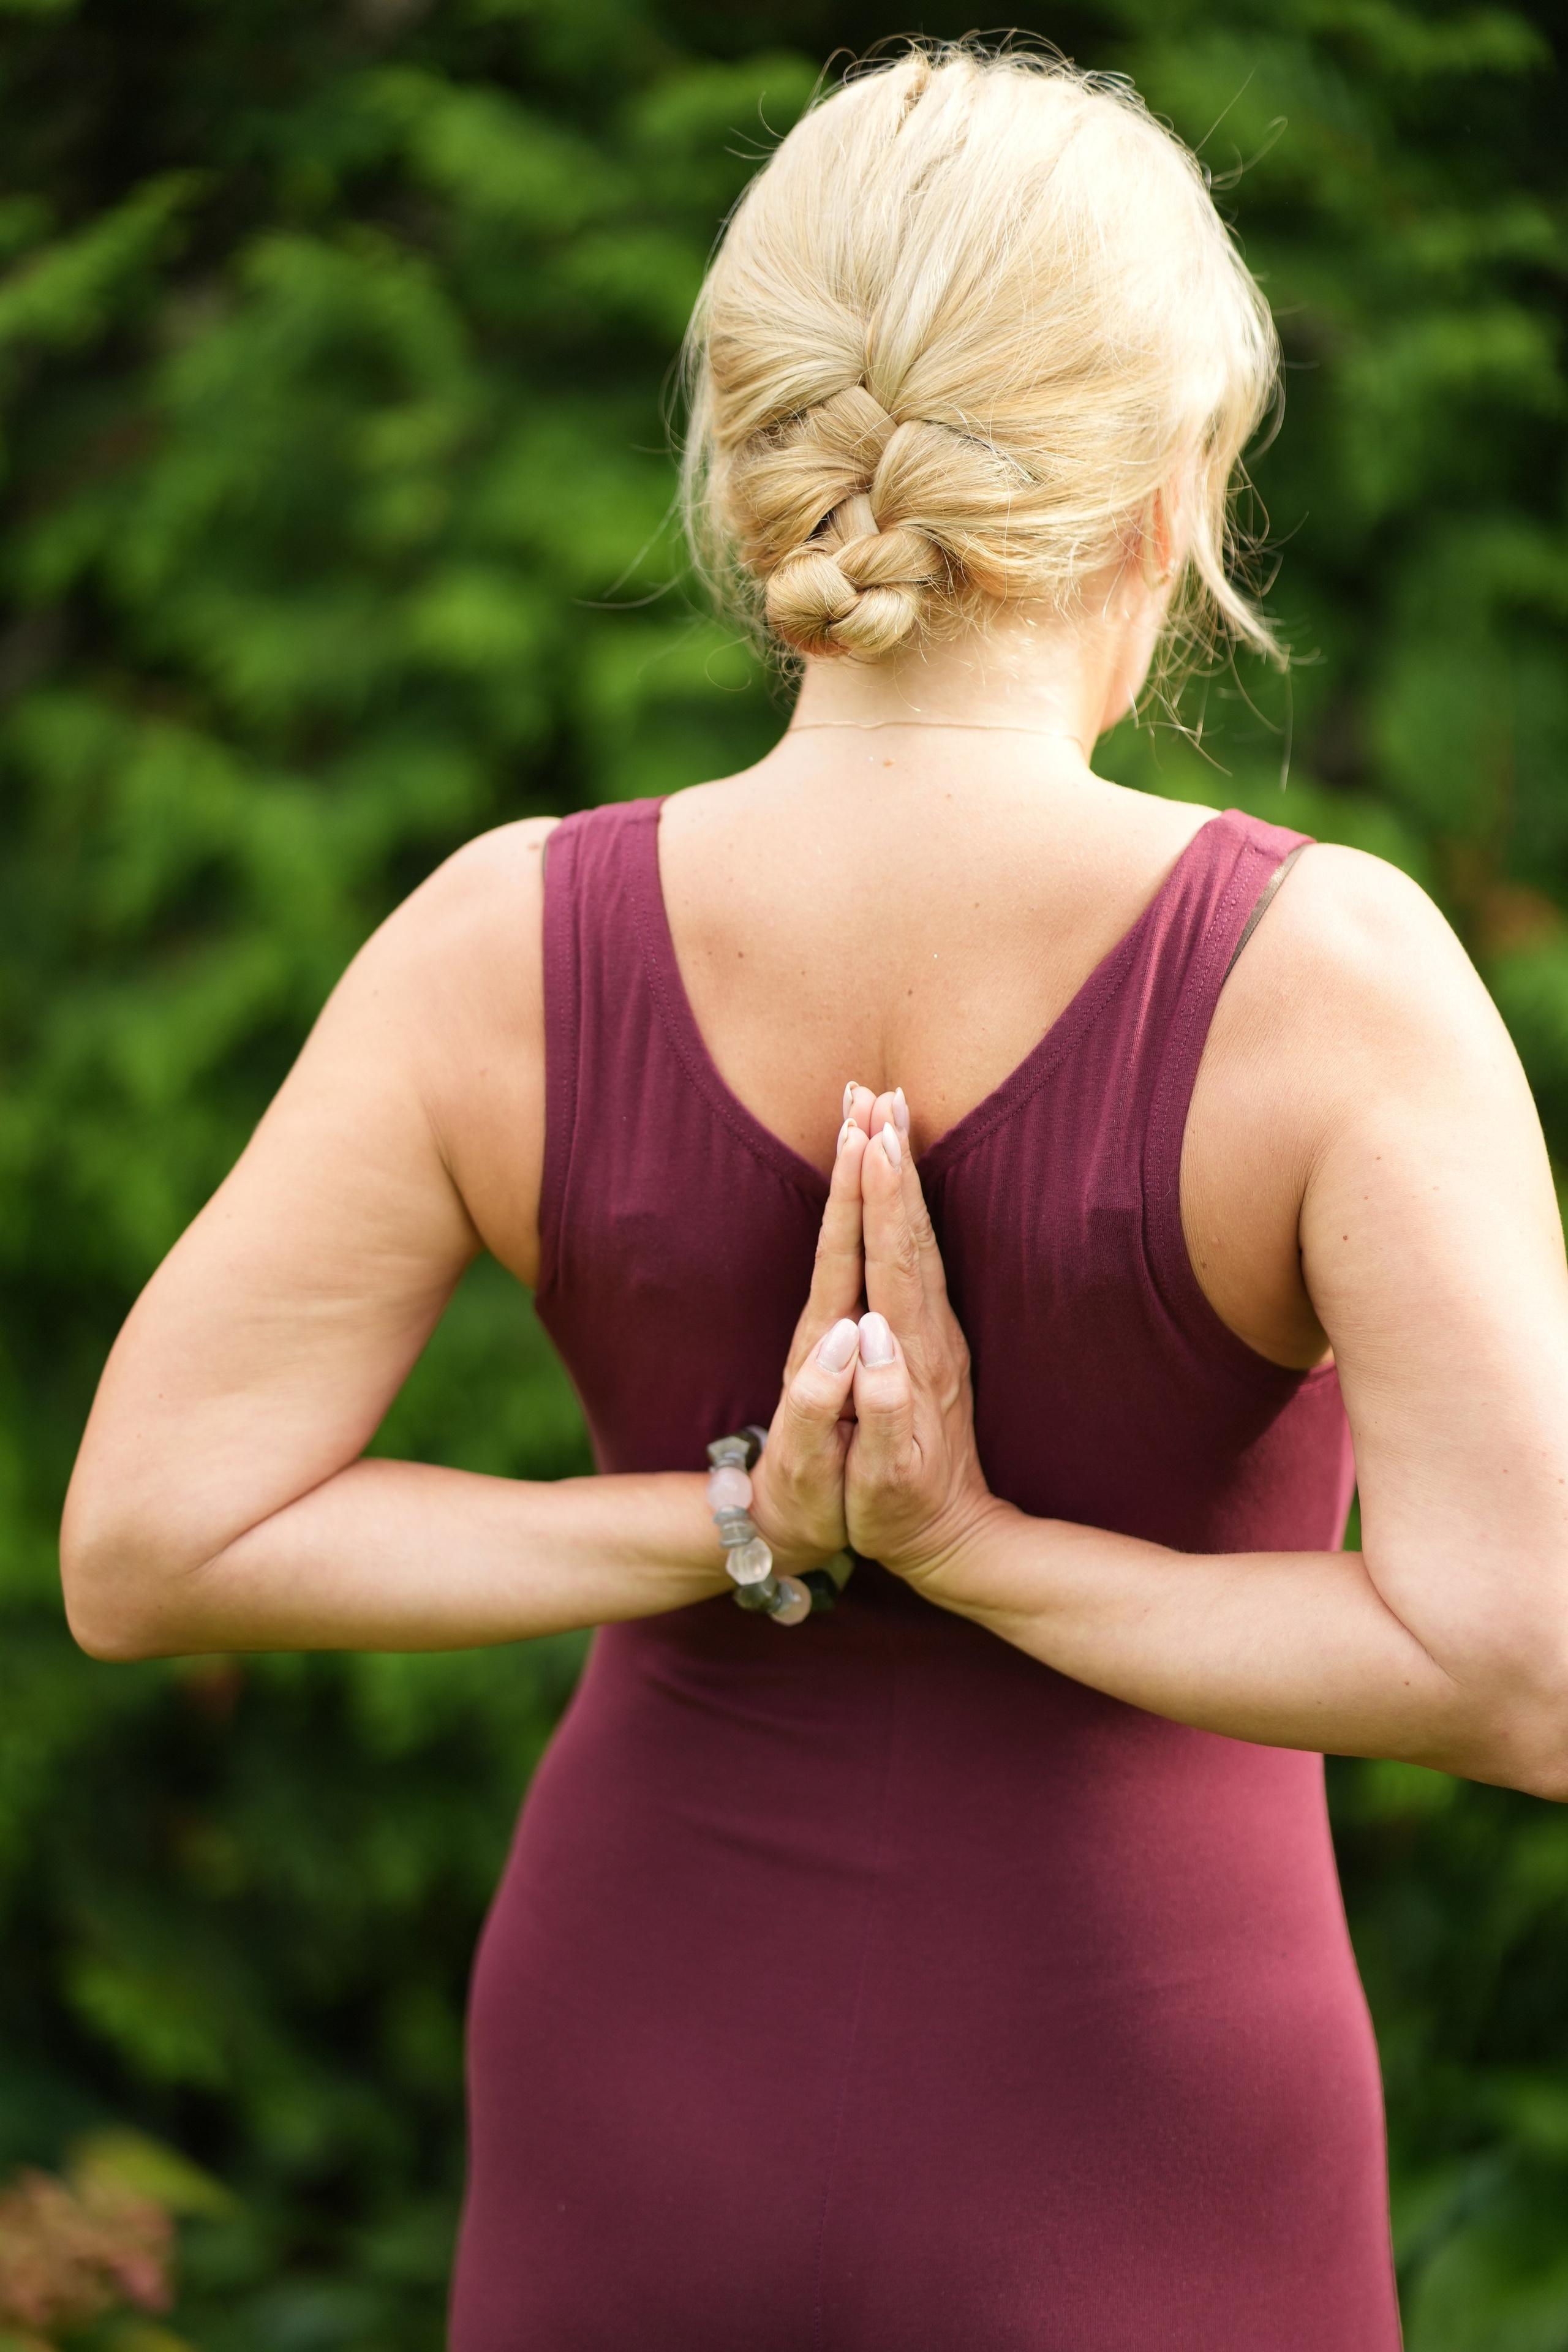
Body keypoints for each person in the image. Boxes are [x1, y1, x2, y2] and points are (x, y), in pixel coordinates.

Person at [59, 40, 1568, 2351]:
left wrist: (747, 1521)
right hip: (1148, 2108)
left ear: (755, 467)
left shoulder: (503, 944)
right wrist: (982, 1551)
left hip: (641, 2069)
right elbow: (1526, 1667)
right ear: (1170, 495)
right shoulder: (1329, 982)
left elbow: (150, 1541)